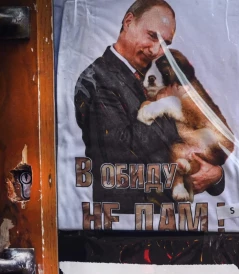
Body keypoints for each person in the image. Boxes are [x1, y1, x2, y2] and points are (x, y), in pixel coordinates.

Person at [74, 0, 224, 212]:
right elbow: (121, 155)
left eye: (165, 44)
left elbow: (203, 133)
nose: (156, 50)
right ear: (128, 22)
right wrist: (171, 106)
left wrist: (215, 175)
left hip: (169, 222)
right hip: (125, 225)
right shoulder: (97, 79)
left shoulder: (157, 76)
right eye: (152, 36)